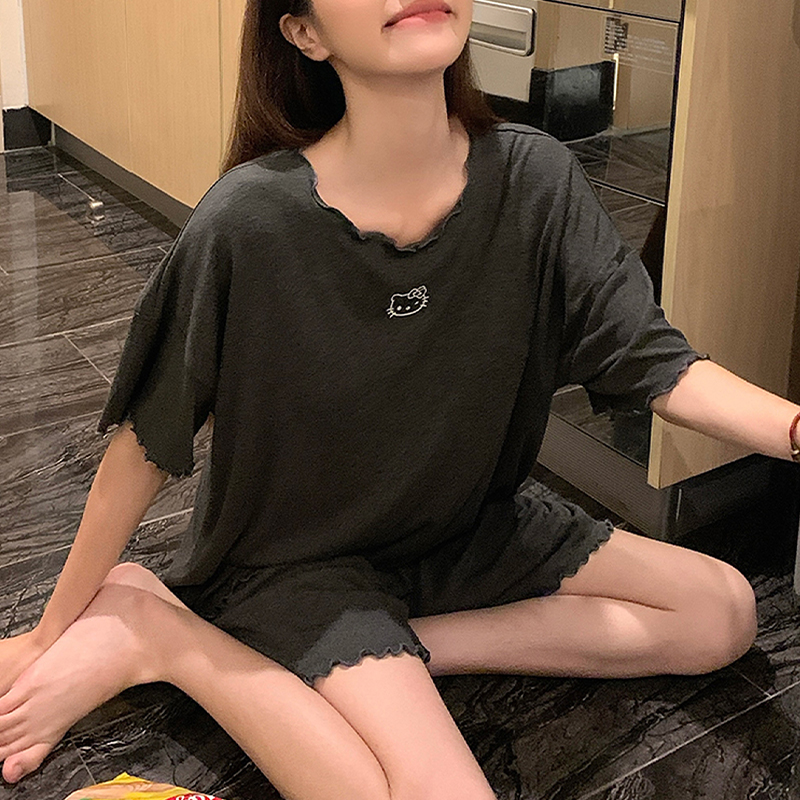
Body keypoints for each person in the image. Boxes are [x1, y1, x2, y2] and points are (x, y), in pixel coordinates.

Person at [0, 0, 796, 796]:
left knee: (720, 613)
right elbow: (147, 441)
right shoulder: (249, 219)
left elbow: (656, 364)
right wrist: (45, 636)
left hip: (469, 529)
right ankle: (168, 637)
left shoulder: (535, 176)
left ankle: (396, 649)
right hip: (302, 564)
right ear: (304, 32)